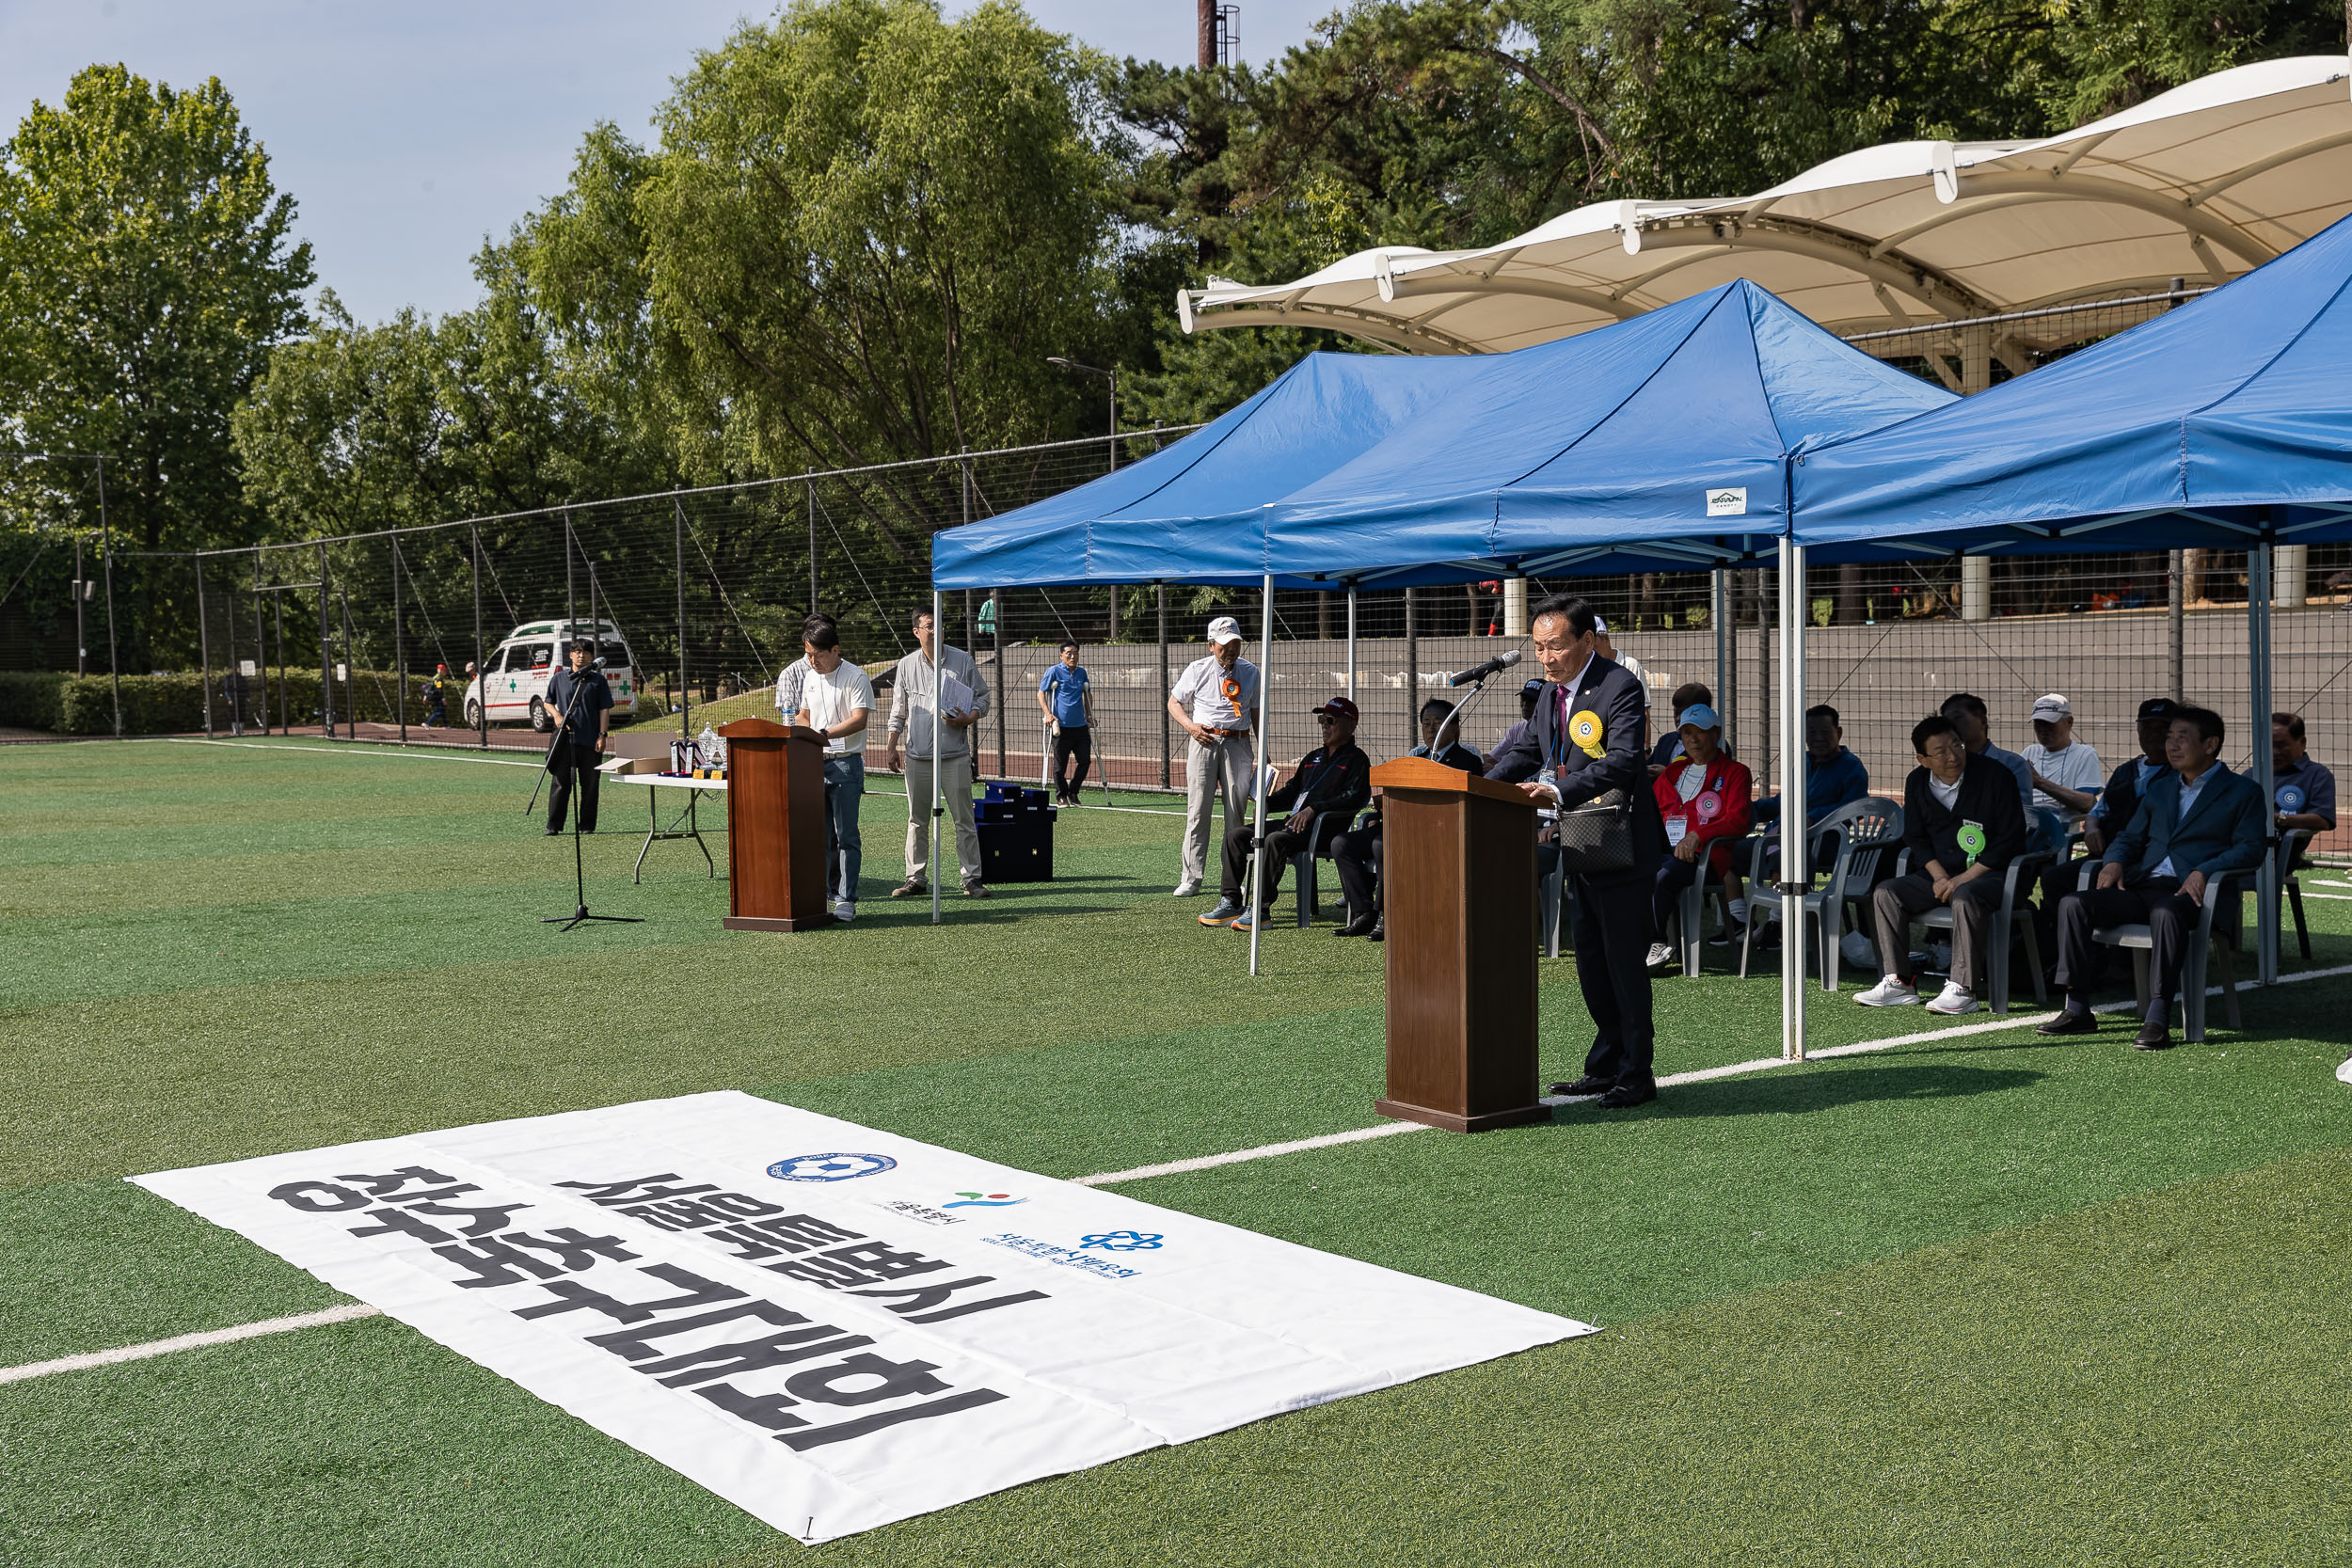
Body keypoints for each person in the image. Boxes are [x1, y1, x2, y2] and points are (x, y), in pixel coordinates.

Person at [1487, 594, 1668, 1109]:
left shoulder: (1620, 686)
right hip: (1582, 844)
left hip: (1622, 843)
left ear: (1586, 641)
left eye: (1556, 646)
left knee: (1623, 964)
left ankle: (1637, 1073)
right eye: (1539, 647)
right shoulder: (1549, 695)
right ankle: (1605, 1065)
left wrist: (1559, 792)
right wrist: (1475, 783)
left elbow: (1626, 760)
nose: (1546, 657)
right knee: (1590, 961)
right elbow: (1529, 751)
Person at [2038, 705, 2265, 1049]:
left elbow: (2251, 848)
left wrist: (2205, 869)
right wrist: (2113, 862)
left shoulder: (2242, 791)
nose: (2171, 745)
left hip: (2196, 895)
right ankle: (2078, 1007)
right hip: (2144, 884)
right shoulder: (2159, 789)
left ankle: (2157, 1017)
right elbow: (2129, 837)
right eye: (2169, 738)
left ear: (2210, 744)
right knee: (2073, 903)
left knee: (2166, 912)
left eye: (2181, 738)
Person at [1856, 713, 2026, 1015]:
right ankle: (1899, 982)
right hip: (1941, 875)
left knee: (1965, 895)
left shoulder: (1996, 776)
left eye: (1957, 745)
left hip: (1994, 875)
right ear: (1923, 759)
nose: (1953, 756)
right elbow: (1916, 837)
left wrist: (1962, 879)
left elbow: (2010, 839)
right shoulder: (1917, 781)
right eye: (1941, 752)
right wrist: (1938, 876)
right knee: (1886, 893)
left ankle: (1964, 988)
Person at [1200, 698, 1372, 930]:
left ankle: (1261, 910)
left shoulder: (1357, 760)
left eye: (1331, 721)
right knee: (1236, 835)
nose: (1324, 726)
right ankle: (1230, 901)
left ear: (1351, 725)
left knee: (1275, 840)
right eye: (1322, 720)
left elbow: (1356, 796)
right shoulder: (1314, 758)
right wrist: (1267, 804)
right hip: (1294, 824)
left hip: (1325, 830)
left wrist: (1314, 810)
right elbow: (1292, 791)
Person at [1333, 698, 1485, 940]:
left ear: (1455, 728)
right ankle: (1364, 912)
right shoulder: (1415, 758)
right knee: (1342, 843)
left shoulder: (1467, 761)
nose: (1431, 729)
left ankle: (1384, 915)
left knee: (1381, 845)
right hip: (1401, 823)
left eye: (1439, 723)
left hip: (1438, 830)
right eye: (1426, 723)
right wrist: (1381, 809)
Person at [883, 607, 991, 899]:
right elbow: (898, 711)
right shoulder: (906, 665)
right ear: (917, 631)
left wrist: (968, 717)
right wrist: (891, 746)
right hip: (918, 758)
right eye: (929, 625)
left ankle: (971, 879)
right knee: (917, 819)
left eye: (939, 624)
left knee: (963, 819)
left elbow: (983, 696)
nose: (935, 629)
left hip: (954, 755)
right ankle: (915, 878)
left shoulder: (963, 660)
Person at [776, 614, 874, 923]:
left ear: (835, 650)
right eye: (808, 655)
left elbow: (860, 718)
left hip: (845, 765)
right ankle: (822, 893)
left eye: (817, 655)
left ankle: (846, 899)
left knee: (846, 835)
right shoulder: (809, 677)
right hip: (813, 764)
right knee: (819, 834)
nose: (812, 661)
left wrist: (825, 735)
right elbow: (804, 714)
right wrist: (805, 732)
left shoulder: (856, 676)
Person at [1648, 704, 1754, 967]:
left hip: (1705, 859)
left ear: (1717, 734)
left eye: (1701, 732)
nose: (1693, 739)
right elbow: (1650, 811)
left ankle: (1655, 942)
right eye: (1686, 733)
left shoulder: (1735, 772)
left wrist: (1698, 834)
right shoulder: (1672, 771)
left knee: (1662, 876)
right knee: (1630, 871)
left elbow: (1738, 821)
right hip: (1663, 851)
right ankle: (1629, 941)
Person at [1168, 615, 1261, 898]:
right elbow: (1174, 702)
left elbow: (1255, 711)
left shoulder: (1251, 672)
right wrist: (1191, 727)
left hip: (1239, 744)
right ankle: (1191, 878)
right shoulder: (1197, 669)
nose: (1230, 649)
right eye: (1224, 645)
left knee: (1237, 814)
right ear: (1211, 645)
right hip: (1204, 742)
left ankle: (1236, 880)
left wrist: (1263, 750)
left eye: (1235, 643)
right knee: (1198, 813)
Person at [542, 638, 612, 836]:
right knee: (560, 783)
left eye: (586, 653)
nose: (581, 656)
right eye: (578, 652)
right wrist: (556, 715)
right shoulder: (559, 678)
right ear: (571, 655)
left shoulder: (598, 681)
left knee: (590, 785)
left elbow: (604, 709)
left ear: (591, 657)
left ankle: (587, 826)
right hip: (564, 741)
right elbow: (548, 702)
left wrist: (602, 735)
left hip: (590, 740)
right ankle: (553, 825)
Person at [2021, 692, 2103, 854]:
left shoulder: (2084, 754)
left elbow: (2087, 803)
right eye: (2038, 724)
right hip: (2027, 824)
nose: (2043, 731)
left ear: (2069, 722)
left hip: (2060, 829)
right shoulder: (2030, 751)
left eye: (2050, 724)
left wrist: (2040, 782)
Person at [1941, 692, 2033, 817]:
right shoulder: (1940, 766)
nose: (1952, 726)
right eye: (1947, 722)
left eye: (1958, 718)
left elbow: (2022, 816)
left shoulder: (2013, 765)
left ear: (1983, 721)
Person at [1037, 641, 1095, 805]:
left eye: (1075, 653)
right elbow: (1041, 693)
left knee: (1085, 761)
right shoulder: (1054, 671)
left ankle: (1073, 791)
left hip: (1080, 726)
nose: (1072, 656)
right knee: (1059, 766)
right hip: (1060, 727)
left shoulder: (1081, 673)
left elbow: (1087, 694)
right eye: (1068, 653)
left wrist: (1089, 715)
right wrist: (1048, 714)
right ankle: (1061, 795)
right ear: (1061, 655)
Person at [2271, 711, 2336, 855]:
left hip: (2273, 850)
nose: (2275, 752)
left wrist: (2278, 819)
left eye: (2281, 745)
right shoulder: (2253, 773)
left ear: (2302, 742)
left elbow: (2322, 820)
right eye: (2269, 744)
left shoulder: (2317, 775)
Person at [1482, 678, 1545, 774]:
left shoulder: (1555, 730)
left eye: (1531, 700)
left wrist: (1497, 770)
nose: (1525, 704)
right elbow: (1492, 758)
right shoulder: (1517, 729)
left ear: (1545, 703)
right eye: (1523, 699)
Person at [421, 664, 449, 728]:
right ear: (441, 671)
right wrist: (443, 699)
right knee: (438, 712)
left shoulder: (434, 677)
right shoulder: (439, 679)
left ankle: (446, 725)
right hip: (438, 697)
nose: (445, 673)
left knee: (443, 712)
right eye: (445, 671)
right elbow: (439, 689)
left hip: (435, 696)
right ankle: (427, 723)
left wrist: (426, 696)